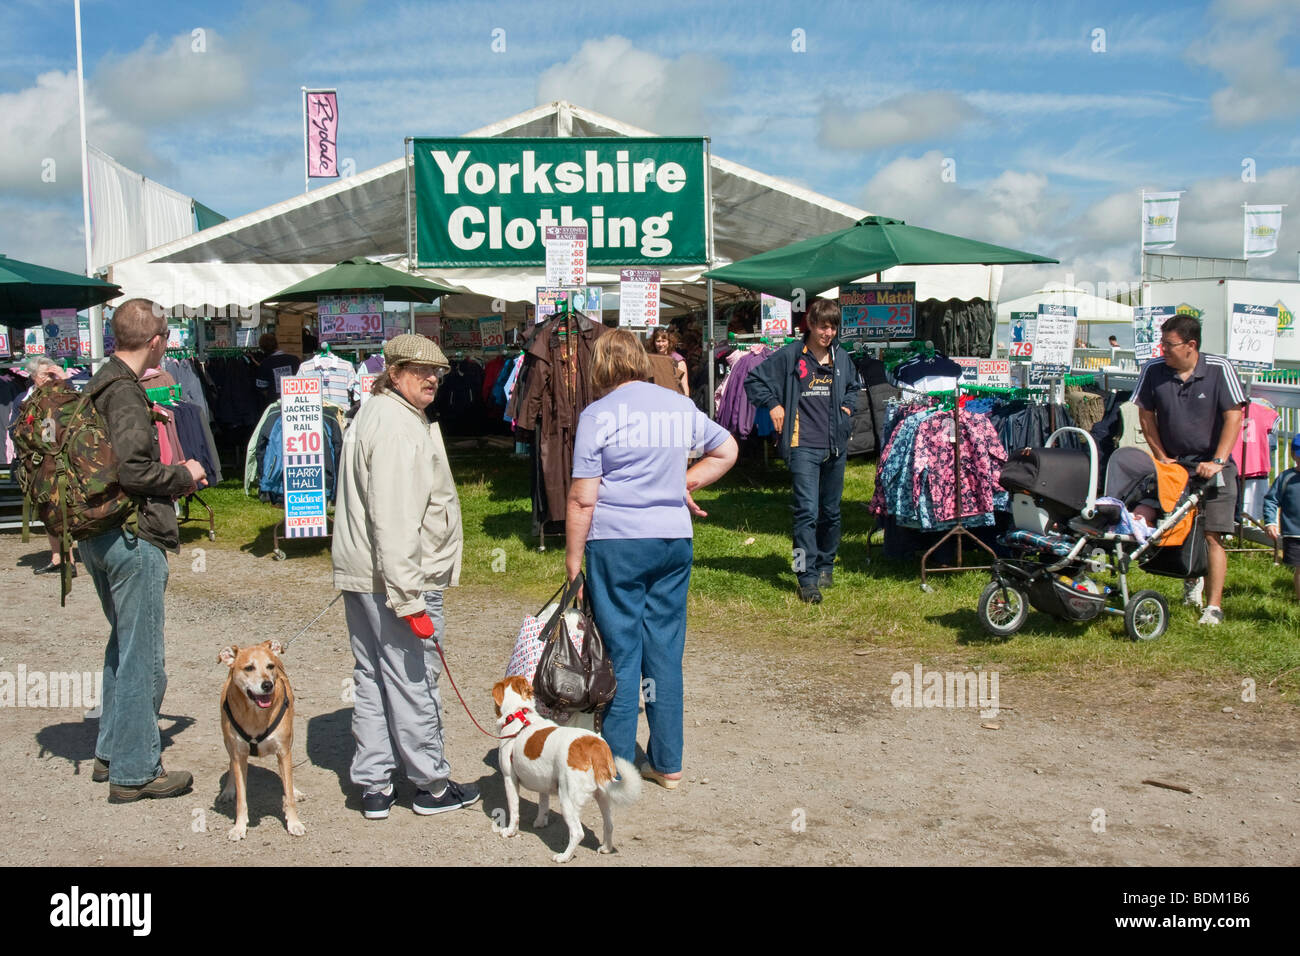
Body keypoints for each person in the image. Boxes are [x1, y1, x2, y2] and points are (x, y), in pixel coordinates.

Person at [566, 329, 737, 789]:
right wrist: (686, 483)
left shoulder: (597, 415)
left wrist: (572, 561)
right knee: (665, 652)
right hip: (672, 543)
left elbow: (583, 499)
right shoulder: (679, 406)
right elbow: (727, 449)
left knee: (621, 653)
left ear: (601, 366)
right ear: (640, 360)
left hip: (617, 544)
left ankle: (618, 766)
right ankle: (668, 763)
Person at [332, 333, 479, 819]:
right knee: (412, 680)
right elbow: (394, 519)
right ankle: (430, 785)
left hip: (367, 574)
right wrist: (409, 596)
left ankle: (374, 786)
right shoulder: (396, 425)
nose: (433, 378)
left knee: (373, 677)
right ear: (394, 373)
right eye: (421, 371)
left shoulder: (373, 414)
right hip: (399, 580)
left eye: (438, 371)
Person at [81, 299, 207, 801]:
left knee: (123, 647)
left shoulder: (101, 384)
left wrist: (141, 413)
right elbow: (135, 472)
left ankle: (111, 751)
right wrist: (187, 475)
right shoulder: (126, 395)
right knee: (144, 658)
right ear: (156, 342)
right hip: (132, 537)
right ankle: (134, 772)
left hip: (96, 532)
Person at [744, 299, 861, 603]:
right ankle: (805, 576)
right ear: (810, 323)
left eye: (833, 326)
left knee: (831, 513)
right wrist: (774, 405)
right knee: (806, 512)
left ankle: (825, 565)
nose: (828, 332)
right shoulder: (792, 355)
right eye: (823, 325)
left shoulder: (842, 357)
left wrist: (847, 409)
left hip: (834, 446)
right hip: (802, 445)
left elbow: (853, 387)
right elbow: (753, 380)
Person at [1133, 314, 1246, 625]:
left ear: (1191, 345)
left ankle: (1213, 607)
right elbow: (1145, 415)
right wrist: (1161, 455)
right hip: (1174, 466)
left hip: (1214, 466)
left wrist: (1219, 460)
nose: (1162, 350)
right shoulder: (1153, 371)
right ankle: (1190, 581)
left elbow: (1233, 417)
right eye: (1162, 344)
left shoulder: (1220, 370)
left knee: (1213, 535)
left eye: (1168, 345)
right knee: (1175, 527)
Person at [15, 355, 77, 576]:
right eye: (45, 375)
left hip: (60, 462)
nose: (49, 379)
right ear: (33, 377)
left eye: (51, 374)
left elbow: (76, 407)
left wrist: (63, 380)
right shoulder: (24, 399)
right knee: (45, 509)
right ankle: (57, 557)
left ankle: (70, 559)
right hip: (35, 463)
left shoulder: (62, 395)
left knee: (63, 507)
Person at [1263, 433, 1300, 602]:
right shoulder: (1286, 478)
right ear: (1294, 455)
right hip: (1294, 533)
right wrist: (1270, 522)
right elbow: (1271, 500)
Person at [254, 332, 300, 405]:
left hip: (275, 404)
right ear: (277, 344)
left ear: (262, 349)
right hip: (296, 401)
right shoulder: (294, 359)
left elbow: (262, 388)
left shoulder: (265, 364)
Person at [650, 327, 689, 396]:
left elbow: (684, 383)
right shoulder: (650, 359)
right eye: (658, 341)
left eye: (663, 341)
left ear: (669, 342)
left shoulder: (678, 360)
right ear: (654, 342)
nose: (661, 344)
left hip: (674, 397)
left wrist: (686, 401)